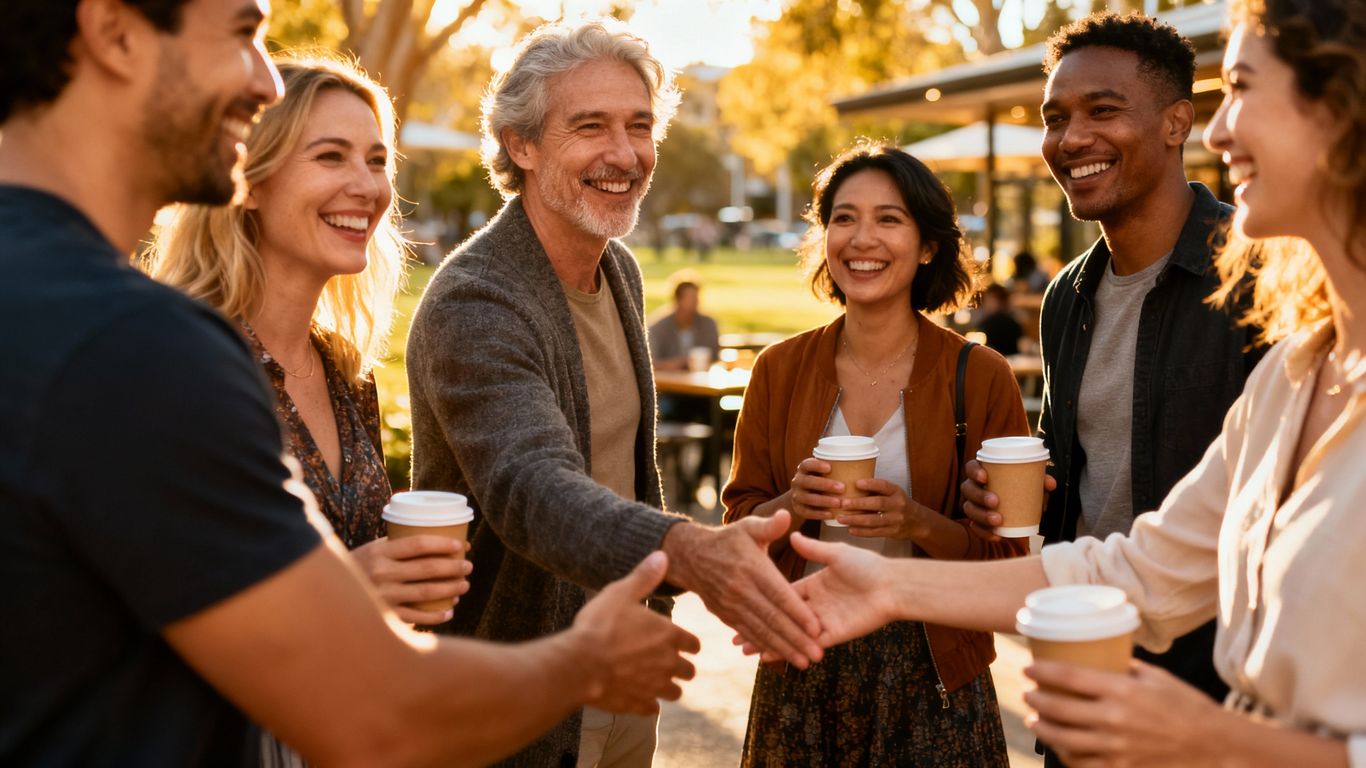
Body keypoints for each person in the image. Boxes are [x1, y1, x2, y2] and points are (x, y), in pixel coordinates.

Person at [0, 1, 698, 765]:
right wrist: (587, 658)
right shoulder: (143, 350)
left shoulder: (73, 313)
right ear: (115, 30)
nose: (265, 78)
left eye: (376, 161)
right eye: (243, 31)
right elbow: (375, 712)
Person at [774, 0, 1366, 763]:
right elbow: (1137, 571)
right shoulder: (1298, 375)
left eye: (1243, 88)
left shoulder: (1262, 319)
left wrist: (1220, 738)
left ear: (1342, 108)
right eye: (1057, 116)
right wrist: (888, 588)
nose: (1224, 130)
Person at [405, 19, 822, 767]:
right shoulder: (476, 301)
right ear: (520, 144)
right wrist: (687, 550)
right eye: (589, 126)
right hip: (517, 689)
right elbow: (531, 488)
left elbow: (625, 470)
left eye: (639, 126)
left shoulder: (619, 270)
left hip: (623, 664)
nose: (623, 155)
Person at [965, 11, 1264, 720]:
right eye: (1055, 117)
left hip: (1219, 692)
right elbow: (1073, 470)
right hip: (1086, 663)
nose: (1071, 140)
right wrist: (1010, 491)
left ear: (1176, 123)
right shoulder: (1066, 297)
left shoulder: (1261, 276)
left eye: (1103, 111)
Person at [720, 142, 1030, 766]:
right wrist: (791, 503)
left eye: (889, 219)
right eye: (844, 217)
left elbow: (1006, 559)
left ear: (928, 246)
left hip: (935, 670)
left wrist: (917, 522)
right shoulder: (778, 371)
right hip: (801, 658)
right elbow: (738, 530)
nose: (863, 239)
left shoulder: (981, 376)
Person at [147, 55, 470, 630]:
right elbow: (161, 607)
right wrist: (350, 586)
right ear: (246, 182)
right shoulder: (183, 365)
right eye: (330, 156)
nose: (367, 186)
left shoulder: (346, 372)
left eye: (377, 161)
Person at [648, 270, 720, 373]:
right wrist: (681, 363)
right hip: (669, 385)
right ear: (677, 300)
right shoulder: (658, 328)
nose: (693, 303)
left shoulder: (708, 324)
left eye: (695, 299)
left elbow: (715, 357)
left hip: (702, 382)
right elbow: (652, 363)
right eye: (689, 299)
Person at [972, 282, 1024, 356]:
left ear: (1002, 301)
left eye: (990, 300)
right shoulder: (1014, 322)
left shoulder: (988, 323)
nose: (986, 304)